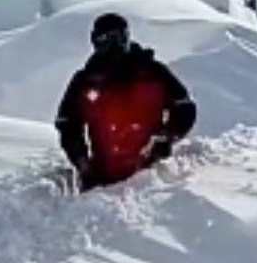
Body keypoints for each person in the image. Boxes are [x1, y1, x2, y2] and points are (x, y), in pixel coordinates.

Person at [55, 13, 197, 191]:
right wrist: (83, 164)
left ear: (127, 37)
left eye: (119, 38)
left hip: (152, 177)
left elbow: (185, 108)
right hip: (103, 177)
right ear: (95, 41)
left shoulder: (154, 73)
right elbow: (68, 124)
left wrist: (166, 137)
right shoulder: (85, 81)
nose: (113, 45)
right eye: (104, 39)